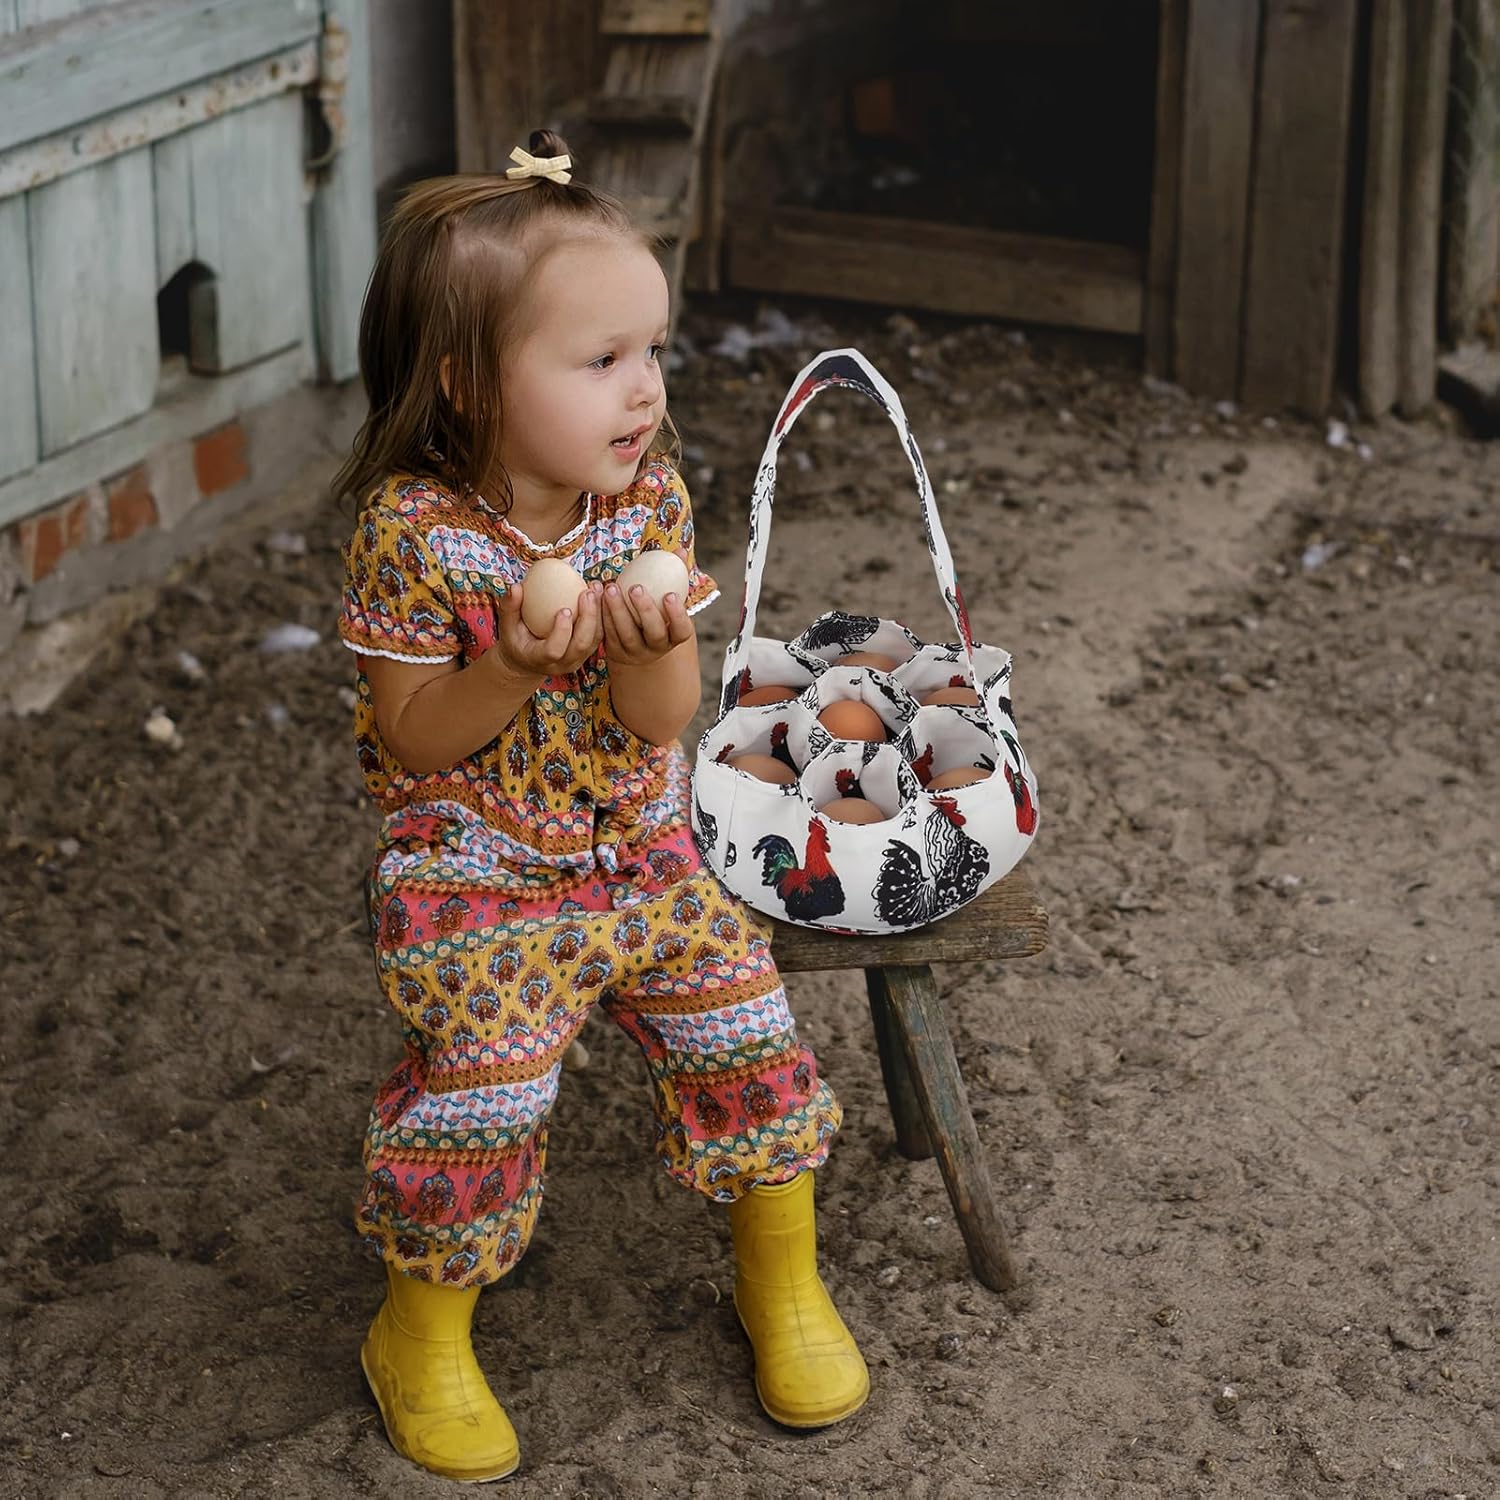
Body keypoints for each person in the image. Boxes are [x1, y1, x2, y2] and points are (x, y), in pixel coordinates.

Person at [331, 133, 867, 1483]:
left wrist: (650, 644)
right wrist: (509, 665)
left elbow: (660, 723)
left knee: (745, 1029)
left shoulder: (645, 504)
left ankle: (782, 1282)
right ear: (467, 382)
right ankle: (418, 1335)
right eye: (602, 359)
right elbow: (414, 737)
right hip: (479, 866)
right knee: (485, 1084)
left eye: (654, 350)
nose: (646, 390)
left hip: (644, 848)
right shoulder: (410, 535)